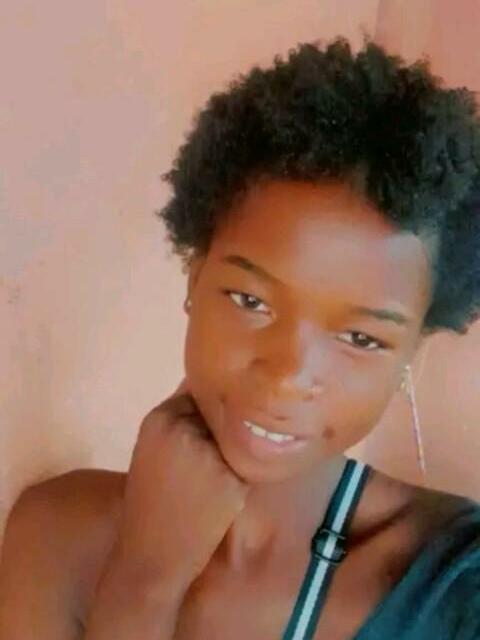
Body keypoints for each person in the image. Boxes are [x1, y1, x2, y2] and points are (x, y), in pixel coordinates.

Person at [1, 36, 480, 640]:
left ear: (412, 351)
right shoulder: (55, 537)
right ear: (195, 276)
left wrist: (143, 588)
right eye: (251, 301)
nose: (287, 375)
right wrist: (145, 576)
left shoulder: (455, 588)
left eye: (360, 338)